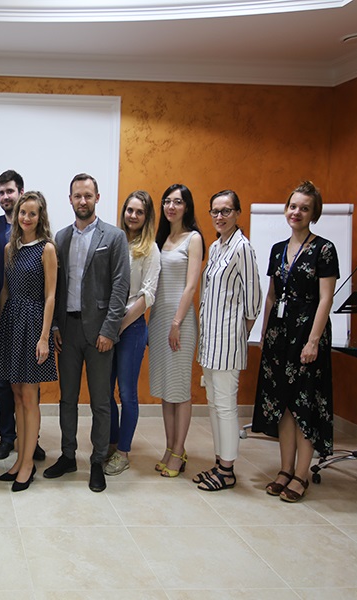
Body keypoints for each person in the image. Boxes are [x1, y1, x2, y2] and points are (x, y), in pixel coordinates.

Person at [253, 181, 338, 502]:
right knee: (284, 403)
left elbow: (326, 298)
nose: (297, 212)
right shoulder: (277, 249)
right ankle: (285, 469)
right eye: (293, 206)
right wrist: (263, 334)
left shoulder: (324, 249)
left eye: (304, 208)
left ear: (313, 212)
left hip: (307, 335)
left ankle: (301, 474)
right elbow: (273, 296)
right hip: (279, 336)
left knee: (305, 406)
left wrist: (313, 341)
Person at [46, 174, 130, 493]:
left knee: (100, 401)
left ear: (97, 198)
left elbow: (121, 286)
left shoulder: (114, 237)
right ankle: (68, 455)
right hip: (66, 330)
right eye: (77, 196)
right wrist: (54, 325)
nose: (83, 201)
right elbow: (54, 287)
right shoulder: (61, 237)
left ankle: (96, 460)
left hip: (99, 334)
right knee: (67, 398)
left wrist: (110, 329)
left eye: (88, 195)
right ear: (70, 199)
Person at [195, 190, 262, 491]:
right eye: (215, 212)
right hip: (210, 341)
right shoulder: (217, 246)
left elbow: (254, 299)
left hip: (227, 341)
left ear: (238, 213)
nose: (219, 217)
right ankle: (220, 461)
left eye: (226, 211)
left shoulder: (242, 248)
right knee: (213, 403)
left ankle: (228, 470)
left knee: (225, 406)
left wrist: (239, 333)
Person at [0, 191, 58, 492]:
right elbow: (6, 289)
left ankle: (29, 464)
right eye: (22, 213)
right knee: (16, 393)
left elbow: (50, 295)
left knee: (30, 396)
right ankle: (20, 458)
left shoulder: (47, 249)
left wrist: (44, 337)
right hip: (11, 321)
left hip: (33, 324)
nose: (26, 218)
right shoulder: (10, 248)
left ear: (40, 217)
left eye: (32, 213)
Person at [0, 169, 46, 462]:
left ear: (21, 193)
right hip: (4, 315)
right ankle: (8, 436)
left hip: (31, 317)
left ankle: (31, 441)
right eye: (1, 192)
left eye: (10, 191)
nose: (6, 197)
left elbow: (50, 289)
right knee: (4, 385)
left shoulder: (44, 244)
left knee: (30, 386)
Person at [149, 183, 204, 478]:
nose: (171, 206)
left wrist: (176, 322)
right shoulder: (162, 239)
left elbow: (191, 285)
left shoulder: (193, 238)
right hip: (158, 320)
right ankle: (170, 448)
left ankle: (179, 450)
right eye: (167, 201)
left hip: (179, 322)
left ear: (187, 206)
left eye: (178, 202)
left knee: (180, 389)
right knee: (166, 390)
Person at [105, 191, 161, 476]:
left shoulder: (150, 249)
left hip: (132, 327)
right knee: (105, 391)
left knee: (126, 393)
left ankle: (123, 451)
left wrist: (120, 325)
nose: (133, 216)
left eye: (139, 212)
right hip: (109, 325)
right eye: (130, 210)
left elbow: (147, 295)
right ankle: (112, 443)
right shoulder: (115, 241)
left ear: (146, 216)